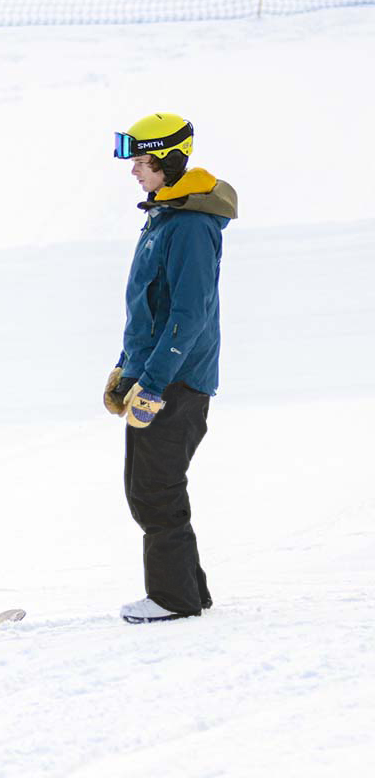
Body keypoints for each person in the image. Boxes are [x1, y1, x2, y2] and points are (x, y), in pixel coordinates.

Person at [105, 113, 237, 624]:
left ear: (166, 161)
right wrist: (126, 371)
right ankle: (189, 590)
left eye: (142, 162)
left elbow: (189, 315)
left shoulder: (189, 225)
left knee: (155, 489)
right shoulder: (164, 215)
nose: (135, 172)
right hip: (156, 376)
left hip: (177, 381)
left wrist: (154, 383)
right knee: (147, 486)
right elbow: (147, 307)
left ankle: (173, 599)